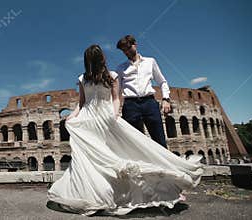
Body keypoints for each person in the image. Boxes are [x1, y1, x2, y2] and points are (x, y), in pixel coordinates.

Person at [47, 45, 203, 216]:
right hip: (87, 119)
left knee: (117, 151)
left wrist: (114, 114)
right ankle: (93, 191)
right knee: (88, 156)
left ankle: (119, 191)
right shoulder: (83, 78)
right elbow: (82, 102)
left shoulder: (112, 76)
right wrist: (72, 115)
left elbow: (115, 99)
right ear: (101, 59)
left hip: (105, 118)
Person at [116, 34, 170, 148]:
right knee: (135, 143)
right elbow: (117, 91)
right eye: (123, 50)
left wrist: (166, 99)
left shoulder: (150, 61)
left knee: (159, 139)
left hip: (149, 103)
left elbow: (162, 81)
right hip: (130, 105)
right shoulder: (120, 68)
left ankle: (165, 165)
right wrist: (115, 109)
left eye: (128, 48)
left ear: (135, 45)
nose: (126, 52)